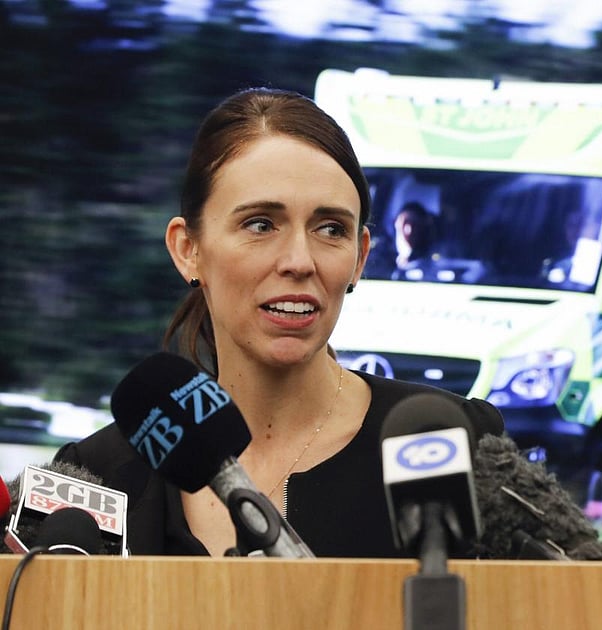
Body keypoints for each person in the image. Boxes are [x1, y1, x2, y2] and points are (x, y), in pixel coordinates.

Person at [51, 87, 504, 558]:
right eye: (261, 224)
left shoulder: (453, 447)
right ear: (189, 248)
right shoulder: (95, 478)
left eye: (330, 229)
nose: (299, 261)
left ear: (359, 259)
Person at [391, 200, 439, 279]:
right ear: (396, 223)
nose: (408, 230)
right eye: (405, 222)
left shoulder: (431, 259)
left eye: (415, 224)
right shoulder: (379, 253)